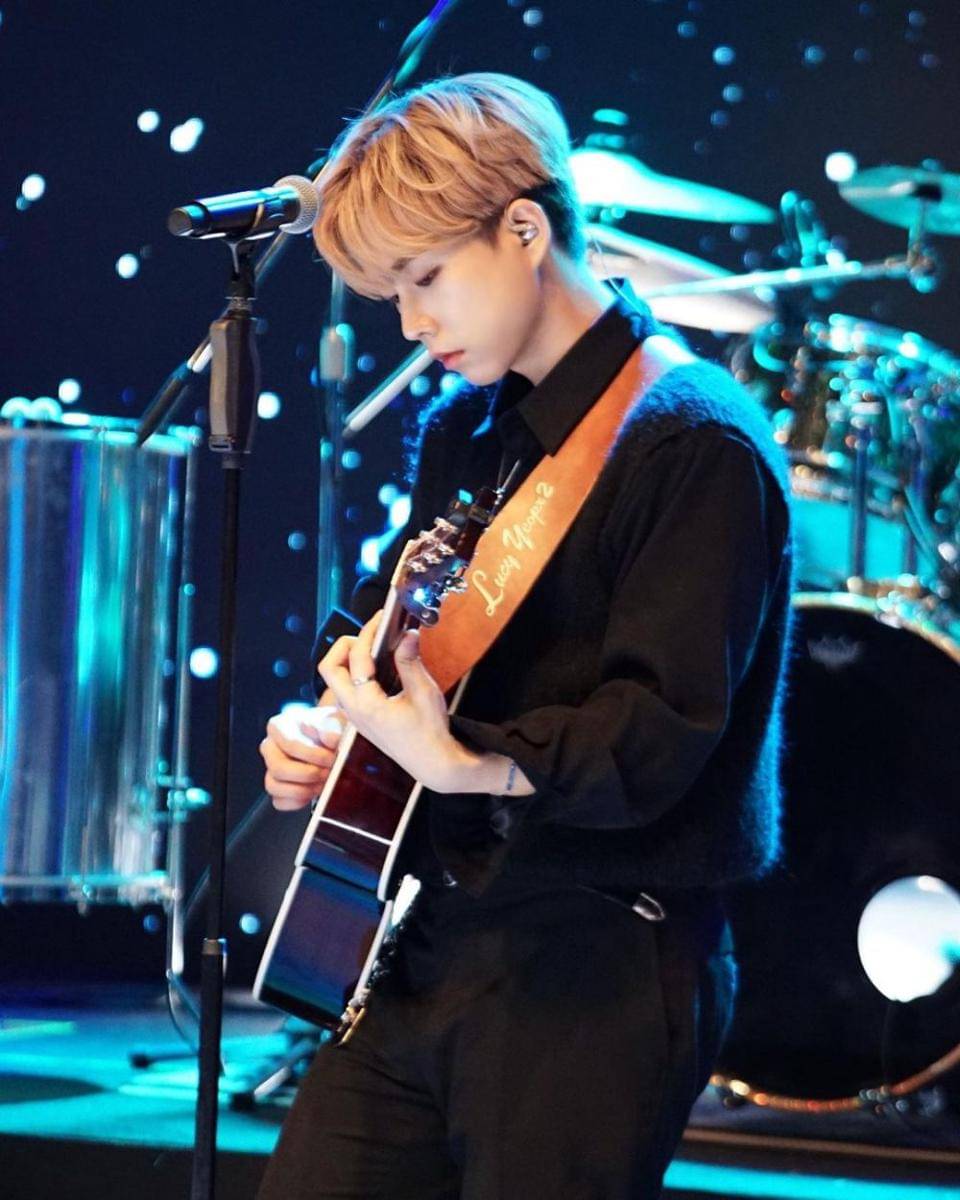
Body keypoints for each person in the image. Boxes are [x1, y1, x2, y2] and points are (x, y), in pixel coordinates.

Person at [257, 72, 792, 1200]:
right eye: (391, 293)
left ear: (524, 230)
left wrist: (463, 761)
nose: (411, 324)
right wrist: (332, 723)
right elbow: (386, 615)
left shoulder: (697, 441)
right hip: (428, 940)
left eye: (425, 278)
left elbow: (656, 731)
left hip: (598, 961)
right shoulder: (465, 427)